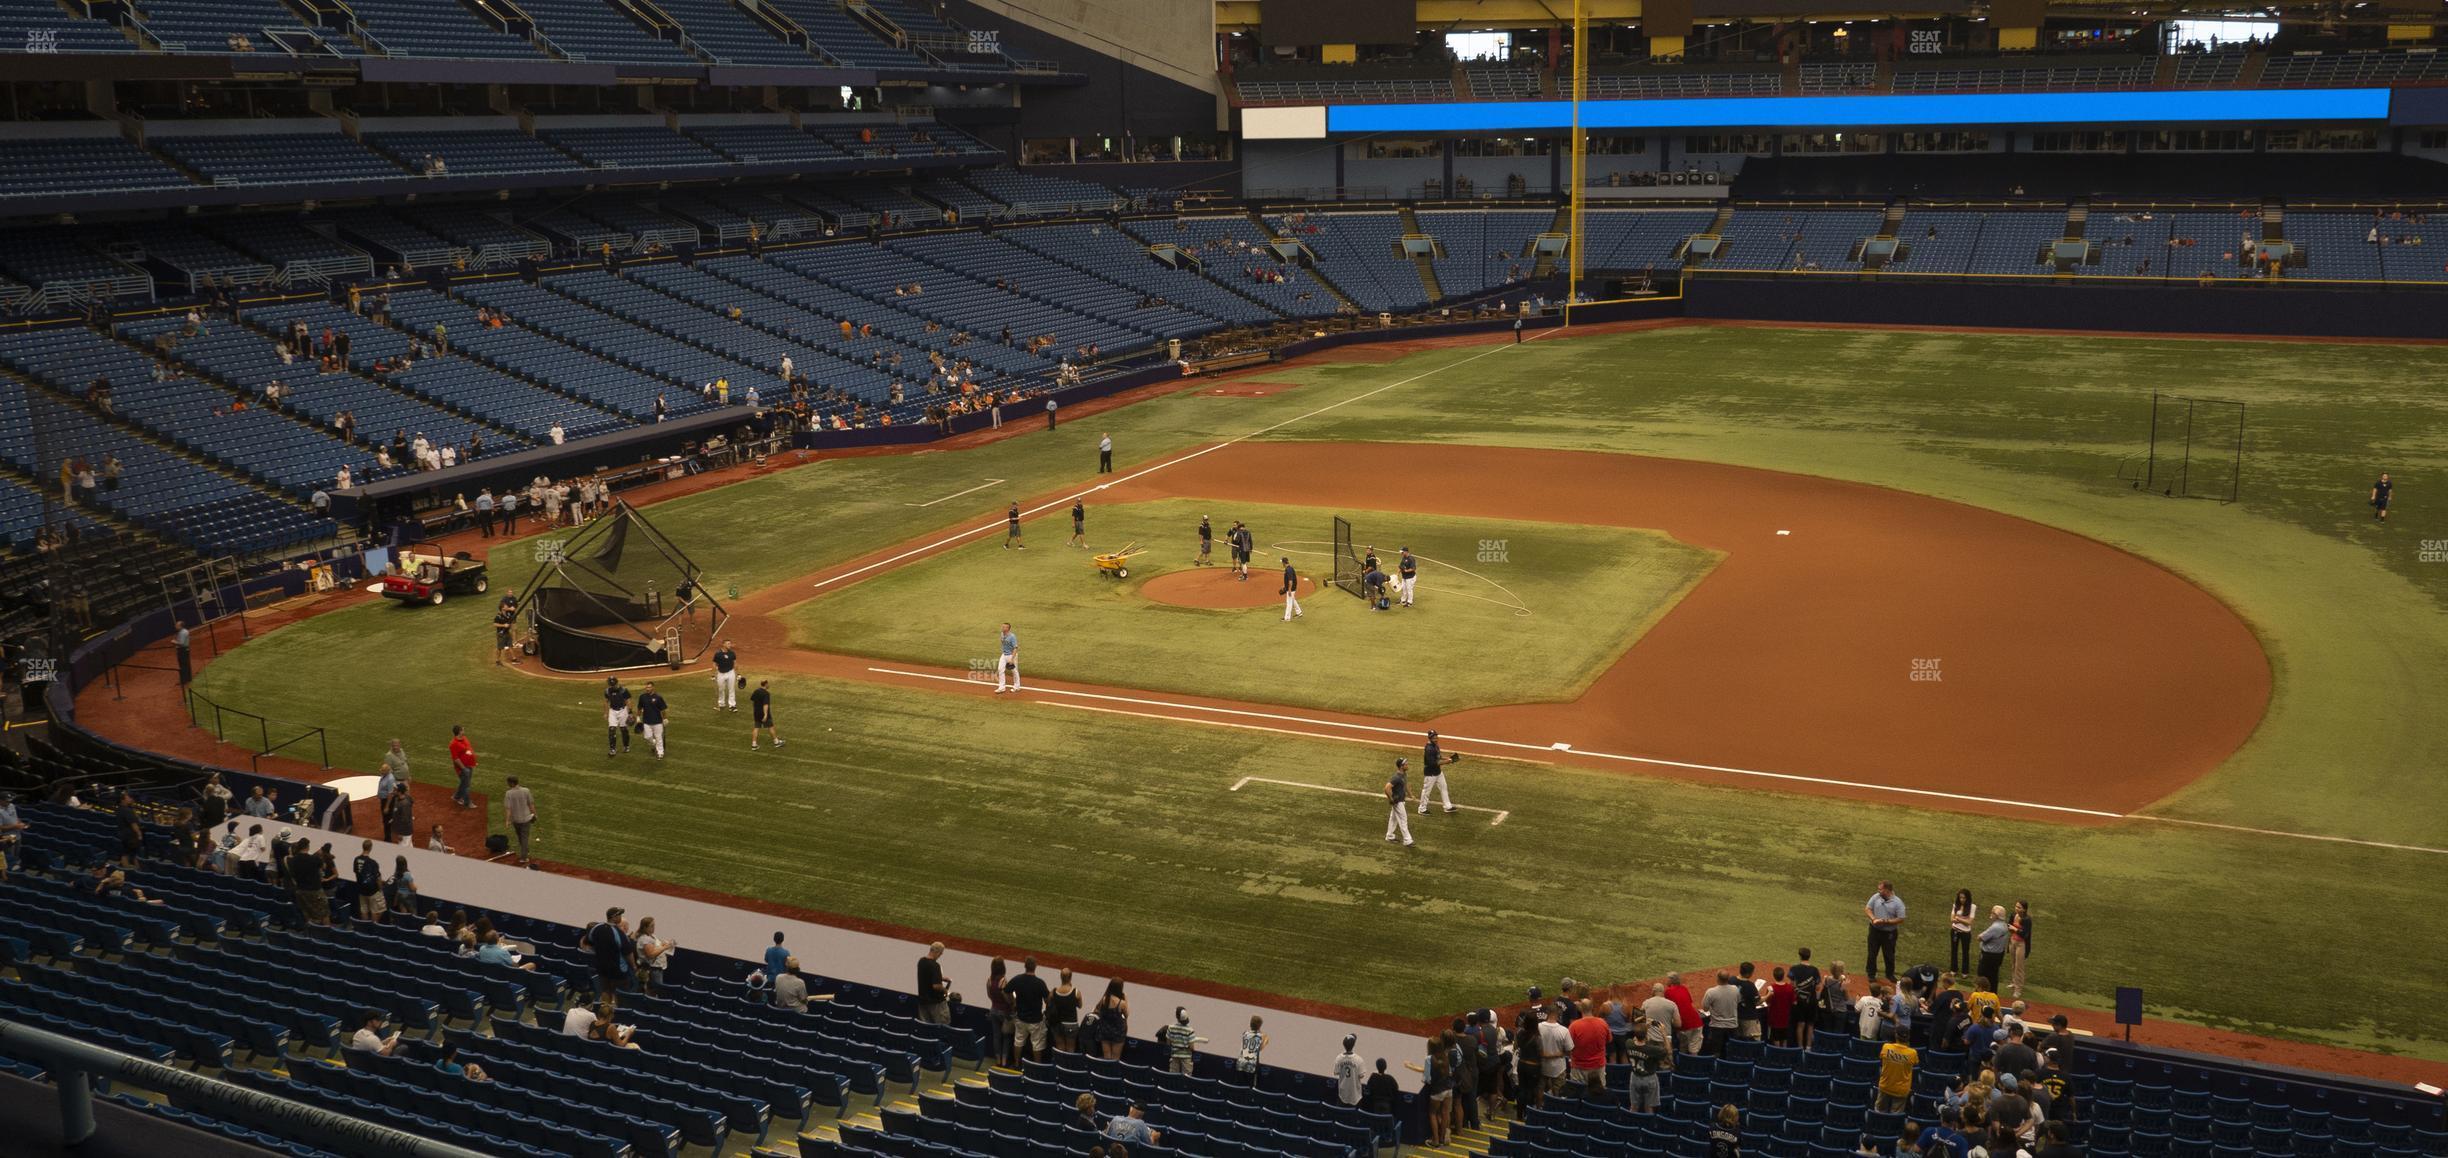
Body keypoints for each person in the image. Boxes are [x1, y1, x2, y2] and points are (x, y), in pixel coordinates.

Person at [1006, 956, 1052, 1063]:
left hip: (1021, 1017)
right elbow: (1047, 1000)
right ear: (1035, 967)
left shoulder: (1017, 979)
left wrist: (1012, 1002)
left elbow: (1006, 991)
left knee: (1018, 1042)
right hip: (1036, 1020)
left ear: (1025, 966)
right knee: (1037, 1045)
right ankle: (1037, 1066)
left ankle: (1017, 1063)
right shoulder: (1040, 983)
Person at [1865, 880, 1907, 982]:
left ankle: (1890, 974)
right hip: (1875, 930)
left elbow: (1901, 918)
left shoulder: (1898, 903)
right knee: (1872, 953)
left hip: (1889, 933)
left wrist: (1886, 921)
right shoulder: (1876, 897)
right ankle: (1871, 973)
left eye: (1880, 889)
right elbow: (1868, 909)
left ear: (1887, 890)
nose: (1878, 891)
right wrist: (1874, 919)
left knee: (1889, 954)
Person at [1625, 1014, 1667, 1113]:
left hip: (1635, 1077)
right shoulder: (1651, 1049)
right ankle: (1648, 1127)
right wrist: (1664, 1033)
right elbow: (1667, 1050)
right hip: (1649, 1079)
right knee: (1649, 1107)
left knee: (1634, 1107)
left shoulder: (1629, 1043)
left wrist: (1644, 1028)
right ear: (1646, 1035)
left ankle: (1630, 1124)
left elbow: (1634, 1037)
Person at [586, 907, 633, 993]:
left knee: (605, 991)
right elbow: (628, 953)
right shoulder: (619, 933)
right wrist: (634, 966)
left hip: (601, 968)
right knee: (619, 994)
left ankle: (606, 1006)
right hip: (618, 971)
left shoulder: (597, 928)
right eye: (619, 915)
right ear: (613, 917)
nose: (620, 917)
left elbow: (588, 941)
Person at [1568, 1001, 1609, 1094]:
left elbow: (1568, 1046)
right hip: (1598, 1066)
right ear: (1593, 1009)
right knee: (1599, 1095)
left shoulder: (1574, 1026)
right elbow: (1608, 1040)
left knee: (1577, 1094)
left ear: (1581, 1009)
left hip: (1579, 1068)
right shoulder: (1602, 1023)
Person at [1417, 730, 1459, 814]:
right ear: (1430, 738)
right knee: (1426, 792)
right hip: (1430, 774)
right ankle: (1422, 809)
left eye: (1436, 736)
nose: (1436, 738)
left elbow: (1439, 756)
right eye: (1434, 737)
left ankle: (1447, 806)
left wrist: (1447, 758)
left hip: (1438, 772)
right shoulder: (1429, 749)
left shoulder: (1435, 745)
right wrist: (1448, 762)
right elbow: (1434, 763)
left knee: (1444, 788)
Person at [1700, 971, 1740, 1056]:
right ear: (1728, 979)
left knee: (1716, 1051)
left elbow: (1705, 1008)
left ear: (1717, 979)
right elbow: (1738, 1001)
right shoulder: (1735, 989)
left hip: (1717, 1026)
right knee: (1733, 1051)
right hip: (1732, 1026)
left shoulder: (1711, 992)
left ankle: (1716, 1067)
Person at [1877, 1034, 1919, 1113]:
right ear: (1908, 1038)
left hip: (1885, 1086)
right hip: (1901, 1090)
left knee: (1879, 1113)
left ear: (1896, 1036)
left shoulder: (1886, 1047)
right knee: (1895, 1117)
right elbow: (1915, 1063)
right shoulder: (1912, 1053)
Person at [1159, 1006, 1206, 1075]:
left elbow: (1168, 1043)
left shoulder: (1170, 1028)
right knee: (1186, 1077)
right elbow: (1191, 1047)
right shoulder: (1190, 1030)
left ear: (1177, 1017)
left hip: (1174, 1055)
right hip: (1186, 1057)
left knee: (1173, 1076)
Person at [1092, 978, 1129, 1061]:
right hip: (1118, 1032)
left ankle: (1106, 1073)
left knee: (1106, 1057)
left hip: (1105, 1031)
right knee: (1115, 1058)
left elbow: (1097, 1010)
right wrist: (1126, 999)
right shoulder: (1121, 1003)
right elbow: (1126, 1015)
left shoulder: (1104, 999)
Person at [1977, 906, 2010, 993]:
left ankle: (1980, 996)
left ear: (1997, 915)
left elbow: (1980, 937)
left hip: (1988, 956)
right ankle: (1993, 996)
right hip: (1998, 955)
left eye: (1992, 912)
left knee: (1982, 977)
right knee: (1994, 977)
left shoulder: (1995, 927)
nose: (1991, 914)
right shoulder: (2005, 925)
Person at [503, 777, 536, 866]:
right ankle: (524, 855)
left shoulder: (509, 793)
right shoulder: (526, 790)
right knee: (524, 837)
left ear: (512, 783)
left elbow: (508, 809)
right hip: (526, 818)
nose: (507, 784)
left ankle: (524, 854)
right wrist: (534, 814)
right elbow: (531, 804)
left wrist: (507, 820)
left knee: (520, 836)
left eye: (508, 782)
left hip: (516, 820)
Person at [915, 942, 951, 1024]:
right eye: (941, 954)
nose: (940, 956)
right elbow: (936, 986)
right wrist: (946, 991)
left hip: (923, 1001)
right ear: (937, 952)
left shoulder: (921, 961)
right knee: (942, 1026)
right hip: (936, 1003)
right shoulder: (935, 966)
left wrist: (940, 977)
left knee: (926, 1028)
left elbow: (926, 975)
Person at [1384, 758, 1414, 847]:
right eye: (1406, 764)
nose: (1407, 765)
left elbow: (1405, 785)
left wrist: (1410, 795)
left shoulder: (1404, 774)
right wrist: (1391, 799)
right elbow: (1387, 788)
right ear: (1401, 766)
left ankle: (1389, 836)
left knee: (1393, 819)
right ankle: (1407, 840)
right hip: (1398, 802)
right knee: (1403, 820)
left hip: (1401, 800)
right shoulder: (1396, 777)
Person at [351, 839, 384, 920]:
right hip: (372, 891)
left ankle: (364, 929)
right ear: (370, 848)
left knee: (364, 910)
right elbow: (378, 878)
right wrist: (380, 889)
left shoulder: (356, 859)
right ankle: (373, 929)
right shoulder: (373, 863)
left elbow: (356, 872)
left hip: (361, 890)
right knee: (375, 911)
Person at [636, 681, 668, 758]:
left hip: (657, 721)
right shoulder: (642, 697)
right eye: (646, 687)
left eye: (649, 687)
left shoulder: (658, 697)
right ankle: (654, 744)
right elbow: (639, 708)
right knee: (647, 737)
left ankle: (660, 752)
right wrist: (638, 717)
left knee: (659, 737)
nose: (647, 689)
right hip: (646, 721)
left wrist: (665, 719)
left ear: (653, 687)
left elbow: (663, 709)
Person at [2008, 900, 2033, 1000]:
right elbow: (2008, 925)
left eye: (2019, 907)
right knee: (2013, 963)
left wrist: (2014, 929)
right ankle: (2014, 982)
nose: (2017, 909)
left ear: (2024, 909)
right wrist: (2012, 929)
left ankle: (2018, 989)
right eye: (2016, 906)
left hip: (2021, 944)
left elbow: (2024, 934)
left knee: (2019, 966)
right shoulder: (2013, 915)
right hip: (2013, 941)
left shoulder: (2027, 920)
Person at [449, 724, 477, 809]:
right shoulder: (453, 744)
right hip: (463, 768)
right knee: (467, 785)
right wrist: (464, 769)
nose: (464, 731)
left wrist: (473, 760)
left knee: (464, 783)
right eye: (462, 730)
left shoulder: (464, 738)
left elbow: (468, 749)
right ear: (459, 732)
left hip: (469, 765)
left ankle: (456, 796)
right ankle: (467, 802)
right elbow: (456, 759)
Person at [603, 676, 633, 757]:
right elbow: (606, 702)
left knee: (624, 729)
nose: (612, 686)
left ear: (617, 683)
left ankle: (626, 746)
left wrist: (630, 712)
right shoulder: (607, 691)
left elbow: (628, 701)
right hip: (613, 711)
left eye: (614, 684)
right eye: (611, 684)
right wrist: (606, 713)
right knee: (612, 729)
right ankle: (612, 749)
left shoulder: (623, 690)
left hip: (623, 710)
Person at [749, 679, 783, 749]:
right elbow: (765, 705)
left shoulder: (756, 691)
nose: (768, 685)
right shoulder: (766, 693)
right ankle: (776, 742)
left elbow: (752, 699)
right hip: (763, 712)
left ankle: (754, 744)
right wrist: (765, 714)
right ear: (766, 684)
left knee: (756, 727)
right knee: (770, 726)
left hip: (756, 712)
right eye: (768, 684)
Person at [1332, 1034, 1365, 1106]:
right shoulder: (1359, 1060)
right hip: (1355, 1096)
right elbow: (1361, 1075)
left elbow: (1336, 1072)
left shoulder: (1339, 1058)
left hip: (1343, 1094)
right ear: (1354, 1045)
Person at [1950, 889, 1976, 975]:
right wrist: (1962, 920)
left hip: (1965, 933)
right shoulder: (1955, 905)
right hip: (1955, 931)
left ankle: (1965, 971)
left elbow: (1969, 922)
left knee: (1965, 951)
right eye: (1960, 897)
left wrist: (1958, 919)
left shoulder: (1972, 907)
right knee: (1954, 950)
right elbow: (1952, 919)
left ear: (1968, 898)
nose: (1962, 900)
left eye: (1964, 898)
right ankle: (1954, 969)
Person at [712, 639, 740, 711]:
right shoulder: (718, 654)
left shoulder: (732, 653)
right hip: (721, 673)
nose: (729, 645)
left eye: (730, 644)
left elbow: (735, 663)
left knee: (731, 689)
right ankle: (721, 704)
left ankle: (732, 706)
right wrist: (713, 674)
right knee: (721, 689)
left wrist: (738, 674)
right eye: (728, 644)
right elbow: (714, 664)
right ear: (723, 644)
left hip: (730, 673)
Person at [994, 623, 1020, 694]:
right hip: (1004, 655)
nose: (1002, 628)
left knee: (1014, 671)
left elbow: (1015, 648)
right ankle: (1002, 687)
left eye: (1004, 627)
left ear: (1008, 629)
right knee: (1000, 669)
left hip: (1011, 655)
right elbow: (1002, 641)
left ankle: (1017, 687)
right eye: (1002, 626)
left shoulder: (1012, 636)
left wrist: (1012, 659)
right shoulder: (1002, 634)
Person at [492, 598, 519, 667]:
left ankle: (514, 658)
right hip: (501, 634)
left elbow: (512, 614)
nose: (507, 606)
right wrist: (503, 625)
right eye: (506, 606)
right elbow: (495, 624)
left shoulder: (507, 614)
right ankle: (497, 661)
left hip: (507, 633)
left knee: (510, 646)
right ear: (502, 608)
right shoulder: (498, 616)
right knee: (500, 648)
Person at [1279, 556, 1303, 622]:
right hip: (1292, 587)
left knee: (1289, 602)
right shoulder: (1289, 568)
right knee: (1293, 600)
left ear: (1284, 563)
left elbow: (1290, 580)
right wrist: (1285, 586)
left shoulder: (1288, 570)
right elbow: (1288, 580)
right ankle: (1299, 612)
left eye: (1282, 562)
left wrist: (1289, 589)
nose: (1282, 564)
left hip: (1291, 588)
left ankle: (1287, 618)